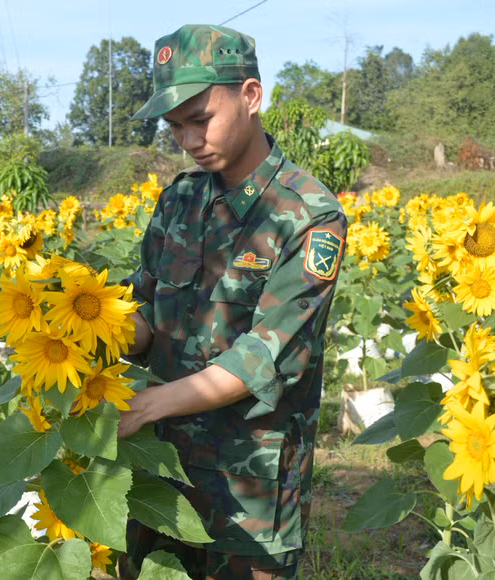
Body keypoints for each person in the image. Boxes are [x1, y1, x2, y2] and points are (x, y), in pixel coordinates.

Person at [116, 24, 348, 580]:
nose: (189, 141)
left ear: (250, 95)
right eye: (175, 128)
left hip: (248, 481)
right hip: (162, 464)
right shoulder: (180, 200)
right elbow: (146, 311)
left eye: (200, 120)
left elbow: (266, 356)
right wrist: (83, 334)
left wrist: (146, 404)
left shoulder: (307, 214)